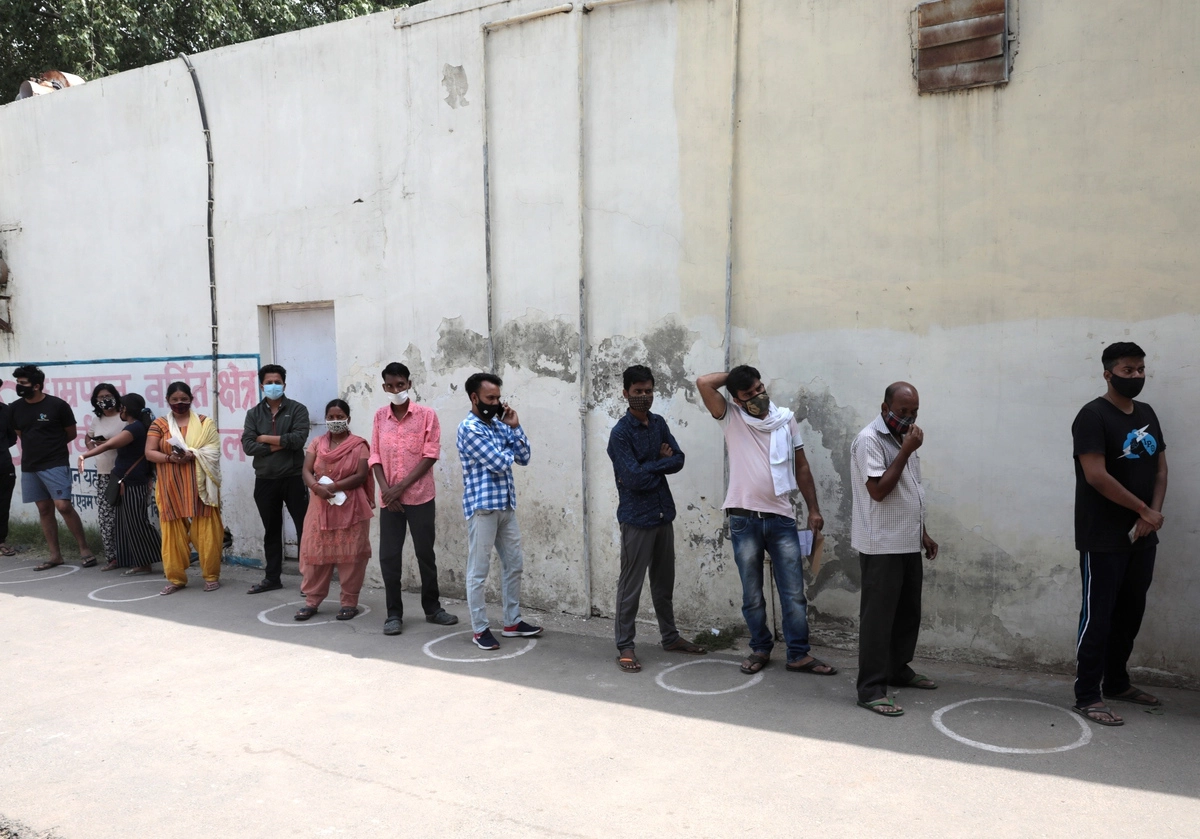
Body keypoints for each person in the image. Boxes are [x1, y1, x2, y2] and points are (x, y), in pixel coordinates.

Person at [696, 366, 834, 677]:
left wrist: (813, 509)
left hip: (782, 518)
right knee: (753, 595)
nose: (758, 395)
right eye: (749, 393)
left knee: (793, 594)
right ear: (737, 399)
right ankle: (760, 648)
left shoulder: (785, 420)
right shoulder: (731, 417)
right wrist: (736, 375)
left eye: (759, 388)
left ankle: (798, 654)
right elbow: (704, 383)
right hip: (744, 521)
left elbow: (802, 467)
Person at [1070, 342, 1168, 726]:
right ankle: (1087, 695)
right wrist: (1142, 510)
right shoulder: (1092, 416)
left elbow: (1160, 469)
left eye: (1141, 369)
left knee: (1130, 612)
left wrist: (1151, 515)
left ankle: (1116, 682)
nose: (1137, 376)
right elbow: (1096, 475)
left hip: (1143, 533)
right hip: (1103, 535)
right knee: (1098, 616)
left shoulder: (1147, 413)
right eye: (1128, 370)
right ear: (1108, 374)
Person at [606, 365, 706, 672]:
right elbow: (633, 479)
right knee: (631, 586)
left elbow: (679, 459)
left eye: (648, 391)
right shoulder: (620, 434)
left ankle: (670, 637)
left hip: (663, 514)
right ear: (625, 394)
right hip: (637, 518)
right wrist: (659, 462)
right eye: (638, 391)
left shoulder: (659, 423)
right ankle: (625, 645)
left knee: (664, 584)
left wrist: (650, 465)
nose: (644, 396)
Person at [849, 382, 940, 717]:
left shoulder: (905, 437)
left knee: (907, 613)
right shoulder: (869, 440)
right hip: (881, 543)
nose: (909, 418)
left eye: (914, 412)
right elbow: (878, 492)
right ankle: (870, 689)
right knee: (878, 619)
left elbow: (910, 490)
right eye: (903, 411)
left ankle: (897, 668)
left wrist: (923, 533)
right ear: (885, 407)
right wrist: (905, 451)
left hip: (907, 540)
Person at [369, 362, 457, 636]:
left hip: (420, 497)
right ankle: (393, 613)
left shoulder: (426, 415)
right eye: (390, 386)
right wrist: (387, 490)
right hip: (390, 500)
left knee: (425, 554)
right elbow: (375, 456)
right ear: (384, 386)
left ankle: (433, 609)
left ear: (409, 384)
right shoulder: (380, 417)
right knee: (389, 557)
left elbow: (430, 455)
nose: (396, 390)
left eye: (400, 384)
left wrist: (400, 488)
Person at [456, 372, 542, 650]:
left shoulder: (500, 425)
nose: (495, 403)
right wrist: (507, 448)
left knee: (514, 564)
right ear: (474, 397)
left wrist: (515, 428)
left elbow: (524, 457)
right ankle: (480, 629)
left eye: (497, 398)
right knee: (478, 572)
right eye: (489, 398)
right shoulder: (469, 428)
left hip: (505, 504)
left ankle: (512, 622)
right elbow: (498, 463)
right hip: (482, 508)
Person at [7, 365, 96, 569]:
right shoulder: (15, 408)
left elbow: (71, 434)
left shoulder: (57, 406)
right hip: (30, 465)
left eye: (23, 383)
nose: (19, 386)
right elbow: (21, 433)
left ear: (37, 386)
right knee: (44, 509)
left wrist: (51, 447)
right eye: (17, 383)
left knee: (63, 506)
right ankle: (55, 555)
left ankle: (84, 549)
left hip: (55, 462)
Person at [295, 400, 374, 621]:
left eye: (340, 417)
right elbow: (306, 470)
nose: (335, 421)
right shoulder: (316, 443)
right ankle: (312, 601)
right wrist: (316, 487)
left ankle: (349, 602)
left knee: (351, 557)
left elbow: (361, 475)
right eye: (331, 417)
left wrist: (333, 487)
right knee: (314, 553)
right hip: (320, 505)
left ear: (348, 419)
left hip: (352, 508)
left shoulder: (359, 445)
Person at [144, 382, 223, 595]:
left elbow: (214, 451)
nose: (180, 403)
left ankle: (211, 576)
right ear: (167, 400)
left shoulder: (205, 422)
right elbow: (149, 452)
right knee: (172, 532)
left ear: (191, 399)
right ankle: (176, 578)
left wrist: (193, 453)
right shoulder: (159, 424)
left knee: (207, 532)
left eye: (184, 399)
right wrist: (170, 458)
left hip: (200, 487)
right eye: (175, 400)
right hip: (171, 485)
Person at [241, 364, 310, 594]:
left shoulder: (298, 409)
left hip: (294, 477)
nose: (273, 386)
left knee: (304, 529)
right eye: (269, 382)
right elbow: (248, 446)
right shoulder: (253, 414)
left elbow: (298, 440)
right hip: (265, 479)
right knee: (271, 530)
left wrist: (264, 438)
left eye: (277, 382)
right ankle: (272, 578)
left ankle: (309, 580)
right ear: (262, 386)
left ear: (284, 385)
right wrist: (279, 443)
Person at [78, 394, 160, 575]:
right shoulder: (132, 427)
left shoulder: (135, 428)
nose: (119, 410)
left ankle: (151, 559)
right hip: (125, 481)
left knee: (136, 522)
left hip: (133, 482)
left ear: (126, 409)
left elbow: (110, 445)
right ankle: (134, 560)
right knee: (125, 524)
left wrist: (84, 455)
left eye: (121, 407)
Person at [84, 383, 128, 571]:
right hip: (103, 473)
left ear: (116, 396)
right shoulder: (97, 419)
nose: (104, 400)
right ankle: (112, 557)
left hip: (123, 472)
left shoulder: (124, 417)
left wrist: (109, 443)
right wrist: (92, 449)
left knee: (126, 516)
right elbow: (88, 437)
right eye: (100, 397)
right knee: (106, 518)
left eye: (108, 396)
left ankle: (131, 556)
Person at [0, 395, 16, 557]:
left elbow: (12, 437)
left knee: (3, 505)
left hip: (3, 465)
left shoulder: (6, 411)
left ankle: (1, 541)